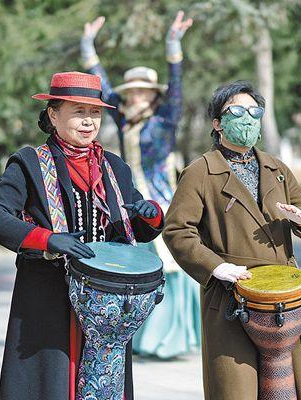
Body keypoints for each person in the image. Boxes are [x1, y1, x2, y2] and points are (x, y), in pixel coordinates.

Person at [0, 71, 163, 400]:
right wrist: (46, 239)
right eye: (78, 112)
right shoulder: (29, 163)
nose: (88, 121)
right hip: (48, 304)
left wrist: (150, 215)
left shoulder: (114, 167)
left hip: (105, 312)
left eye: (94, 113)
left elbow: (136, 229)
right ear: (53, 114)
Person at [164, 81, 301, 400]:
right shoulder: (200, 172)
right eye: (236, 112)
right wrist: (216, 267)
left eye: (254, 112)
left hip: (281, 299)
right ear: (217, 123)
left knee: (271, 392)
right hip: (231, 295)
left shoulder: (276, 168)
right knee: (232, 395)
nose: (247, 119)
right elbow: (178, 230)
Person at [81, 11, 201, 359]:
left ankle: (169, 340)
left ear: (153, 96)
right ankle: (141, 335)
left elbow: (176, 89)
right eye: (131, 92)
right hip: (131, 201)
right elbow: (102, 87)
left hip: (162, 200)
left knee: (168, 265)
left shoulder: (164, 121)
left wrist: (173, 44)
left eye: (142, 92)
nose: (136, 97)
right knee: (138, 266)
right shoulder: (124, 121)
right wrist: (88, 46)